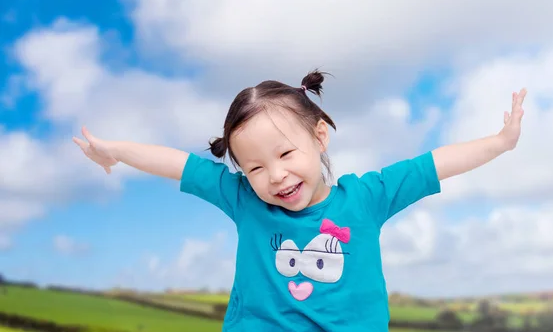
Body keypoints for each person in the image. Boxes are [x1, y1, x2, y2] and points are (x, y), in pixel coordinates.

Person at [73, 70, 527, 332]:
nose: (275, 176)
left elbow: (434, 165)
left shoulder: (367, 197)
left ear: (319, 136)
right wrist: (115, 150)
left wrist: (500, 142)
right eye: (254, 167)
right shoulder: (244, 201)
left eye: (286, 153)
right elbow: (177, 164)